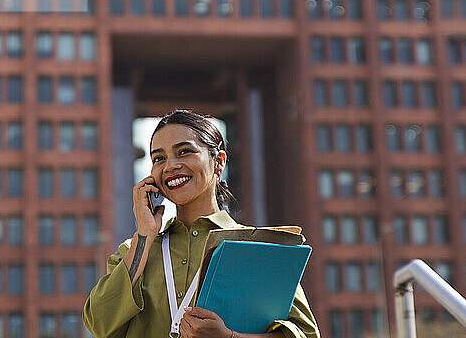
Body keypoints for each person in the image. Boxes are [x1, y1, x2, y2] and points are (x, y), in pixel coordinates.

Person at [83, 110, 320, 338]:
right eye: (158, 158)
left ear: (219, 162)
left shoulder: (259, 247)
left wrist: (230, 337)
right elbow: (98, 325)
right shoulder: (132, 252)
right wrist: (144, 236)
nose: (170, 165)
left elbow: (305, 335)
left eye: (184, 151)